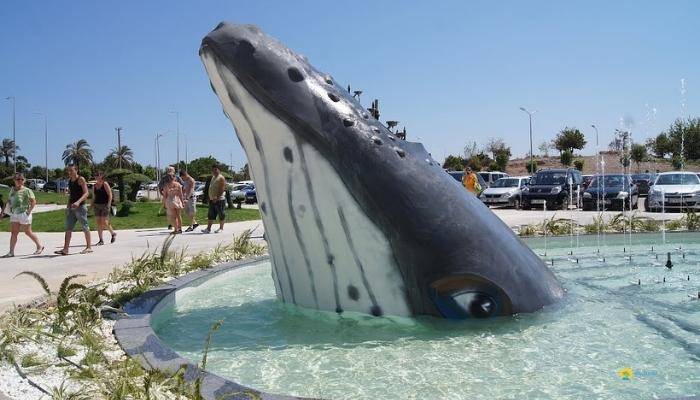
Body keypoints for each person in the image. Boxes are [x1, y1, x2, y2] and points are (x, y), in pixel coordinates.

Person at [2, 173, 43, 257]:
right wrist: (3, 212)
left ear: (24, 180)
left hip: (24, 213)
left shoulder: (27, 190)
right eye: (18, 179)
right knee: (14, 233)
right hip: (14, 214)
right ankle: (11, 252)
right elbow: (8, 201)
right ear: (14, 180)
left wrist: (28, 211)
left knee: (28, 232)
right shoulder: (12, 190)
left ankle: (39, 246)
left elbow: (33, 201)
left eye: (22, 179)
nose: (20, 181)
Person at [55, 165, 92, 255]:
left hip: (80, 207)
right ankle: (65, 249)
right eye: (69, 171)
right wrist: (68, 207)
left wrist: (78, 202)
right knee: (68, 228)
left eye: (71, 170)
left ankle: (89, 247)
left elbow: (86, 193)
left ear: (76, 170)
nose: (70, 172)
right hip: (72, 208)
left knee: (84, 226)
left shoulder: (80, 179)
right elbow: (71, 195)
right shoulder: (70, 181)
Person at [91, 171, 116, 245]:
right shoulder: (94, 186)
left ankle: (112, 233)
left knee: (104, 221)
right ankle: (101, 240)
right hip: (97, 205)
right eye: (95, 175)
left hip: (105, 205)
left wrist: (109, 204)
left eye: (98, 175)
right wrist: (90, 207)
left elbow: (110, 195)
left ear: (101, 176)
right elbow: (94, 197)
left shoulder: (105, 184)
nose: (97, 176)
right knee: (98, 223)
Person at [202, 164, 227, 234]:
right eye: (213, 170)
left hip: (219, 200)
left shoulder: (221, 178)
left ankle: (221, 228)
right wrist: (209, 197)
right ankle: (208, 228)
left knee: (221, 214)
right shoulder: (213, 177)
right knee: (210, 214)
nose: (214, 171)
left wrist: (217, 197)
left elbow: (222, 189)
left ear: (219, 170)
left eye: (216, 169)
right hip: (212, 199)